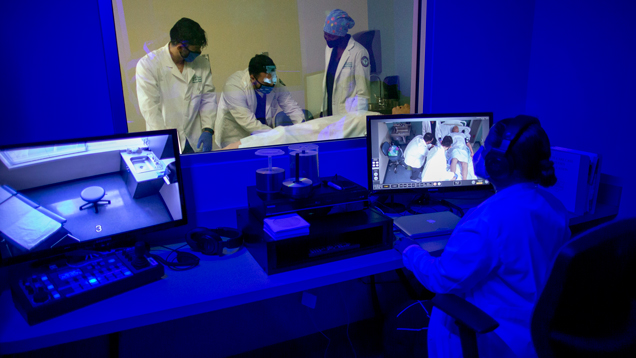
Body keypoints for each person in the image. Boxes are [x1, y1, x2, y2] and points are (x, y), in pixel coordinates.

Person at [395, 115, 571, 358]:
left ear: (498, 163)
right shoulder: (554, 207)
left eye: (485, 147)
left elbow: (440, 280)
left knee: (398, 322)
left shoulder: (486, 221)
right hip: (535, 333)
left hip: (493, 337)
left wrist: (409, 250)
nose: (479, 152)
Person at [136, 18, 216, 154]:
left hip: (194, 139)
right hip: (164, 139)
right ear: (180, 47)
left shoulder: (202, 64)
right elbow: (150, 109)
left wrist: (208, 129)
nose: (197, 55)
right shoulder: (148, 65)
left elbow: (207, 99)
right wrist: (165, 139)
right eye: (194, 51)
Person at [214, 54, 305, 148]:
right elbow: (248, 122)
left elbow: (291, 107)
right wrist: (279, 135)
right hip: (235, 135)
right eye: (266, 83)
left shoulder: (273, 81)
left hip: (264, 133)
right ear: (252, 78)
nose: (271, 86)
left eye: (273, 82)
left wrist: (304, 128)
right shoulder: (234, 86)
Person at [321, 9, 371, 116]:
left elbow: (363, 94)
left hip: (348, 116)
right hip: (330, 112)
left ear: (342, 34)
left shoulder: (359, 52)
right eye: (325, 35)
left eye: (332, 36)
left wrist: (355, 121)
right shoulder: (329, 49)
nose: (328, 39)